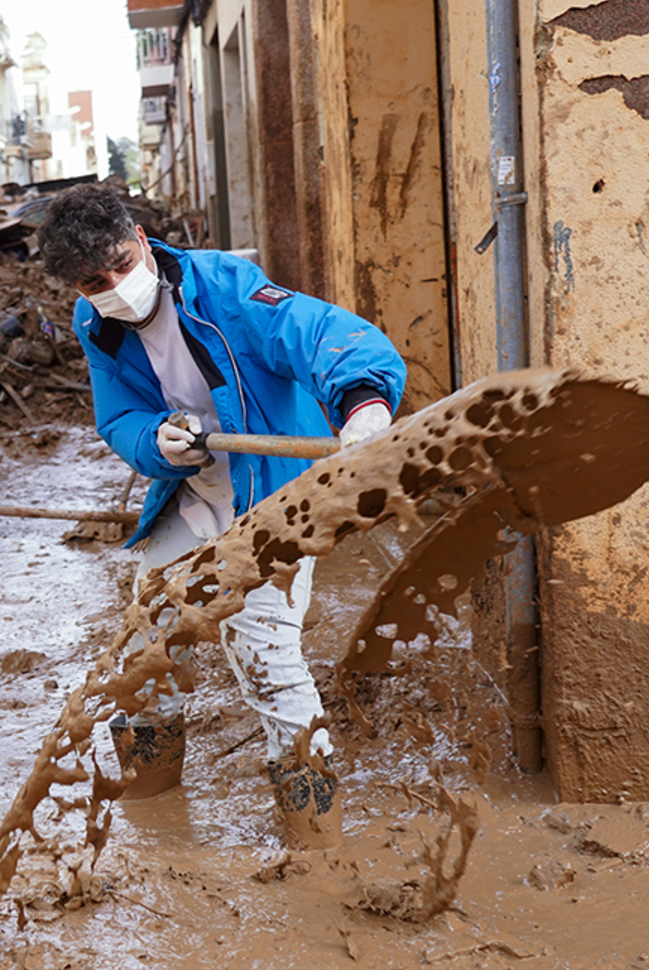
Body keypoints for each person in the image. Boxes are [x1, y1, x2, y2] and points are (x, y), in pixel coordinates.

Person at [39, 184, 406, 849]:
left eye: (124, 263)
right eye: (96, 280)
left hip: (272, 494)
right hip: (194, 491)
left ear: (143, 241)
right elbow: (117, 415)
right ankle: (152, 802)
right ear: (78, 287)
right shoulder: (94, 325)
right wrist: (154, 441)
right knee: (148, 644)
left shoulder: (227, 288)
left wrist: (361, 404)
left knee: (264, 653)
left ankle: (314, 837)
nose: (118, 286)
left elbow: (315, 332)